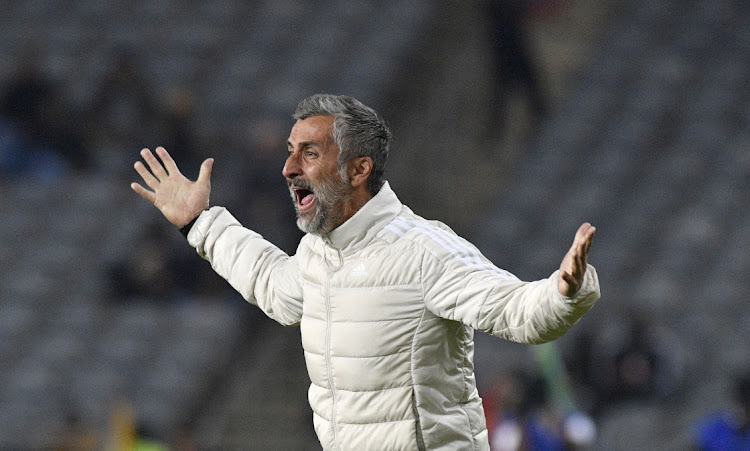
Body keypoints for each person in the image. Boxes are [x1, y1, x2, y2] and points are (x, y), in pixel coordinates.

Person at [130, 94, 600, 450]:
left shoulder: (423, 251)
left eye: (309, 153)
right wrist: (200, 223)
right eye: (291, 151)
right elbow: (276, 288)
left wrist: (563, 292)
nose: (288, 167)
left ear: (359, 170)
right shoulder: (318, 253)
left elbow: (517, 312)